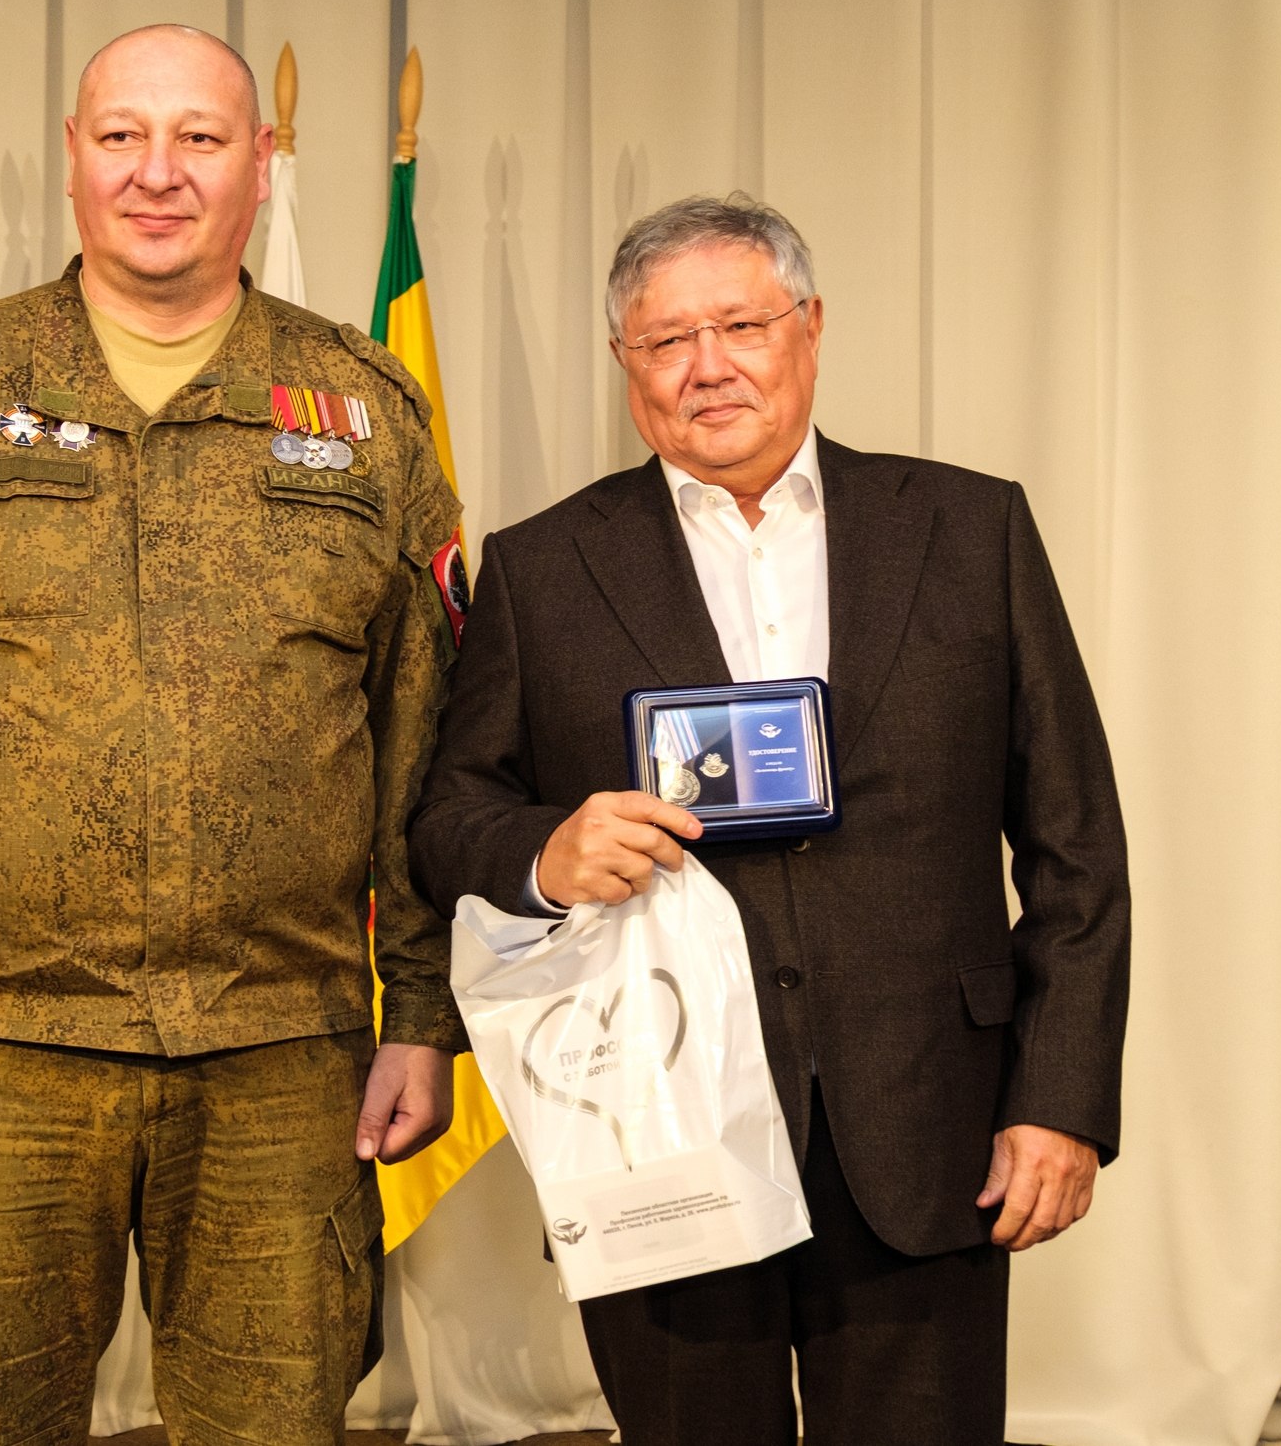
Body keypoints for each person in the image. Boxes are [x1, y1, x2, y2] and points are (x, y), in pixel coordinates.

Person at [0, 24, 468, 1446]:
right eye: (122, 134)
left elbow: (423, 748)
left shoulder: (364, 414)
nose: (158, 171)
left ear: (262, 164)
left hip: (281, 1051)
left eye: (200, 137)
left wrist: (423, 1018)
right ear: (72, 156)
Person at [408, 195, 1130, 1446]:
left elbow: (1078, 850)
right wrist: (544, 853)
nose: (708, 366)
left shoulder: (969, 530)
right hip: (660, 1132)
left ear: (809, 327)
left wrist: (1059, 1099)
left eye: (742, 325)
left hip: (925, 1124)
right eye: (666, 340)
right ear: (625, 362)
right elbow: (445, 820)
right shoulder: (541, 566)